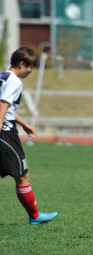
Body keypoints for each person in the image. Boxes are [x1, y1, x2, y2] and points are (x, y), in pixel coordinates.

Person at [0, 47, 58, 224]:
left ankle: (34, 215)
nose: (31, 71)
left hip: (6, 128)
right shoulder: (15, 82)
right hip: (5, 132)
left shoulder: (3, 76)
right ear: (22, 64)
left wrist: (24, 124)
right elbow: (3, 105)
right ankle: (35, 216)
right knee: (22, 175)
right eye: (30, 67)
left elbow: (7, 107)